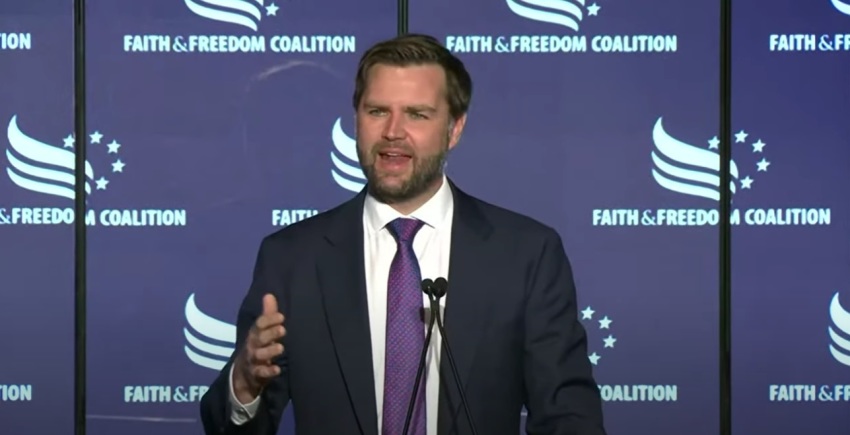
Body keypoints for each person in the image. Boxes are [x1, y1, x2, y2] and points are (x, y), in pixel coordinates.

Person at [199, 33, 607, 435]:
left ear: (455, 128)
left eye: (417, 114)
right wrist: (244, 385)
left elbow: (569, 416)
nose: (393, 131)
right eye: (377, 111)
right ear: (356, 119)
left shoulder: (525, 255)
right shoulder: (292, 258)